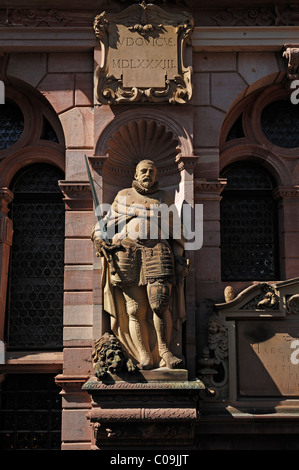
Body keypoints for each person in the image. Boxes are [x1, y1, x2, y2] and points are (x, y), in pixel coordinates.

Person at [92, 160, 188, 370]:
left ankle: (165, 351)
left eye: (152, 171)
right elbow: (105, 224)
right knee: (135, 310)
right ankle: (144, 355)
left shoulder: (164, 197)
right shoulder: (123, 196)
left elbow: (177, 231)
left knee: (160, 304)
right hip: (127, 252)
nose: (148, 174)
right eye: (143, 171)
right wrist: (99, 237)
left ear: (156, 175)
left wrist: (179, 258)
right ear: (135, 175)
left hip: (157, 251)